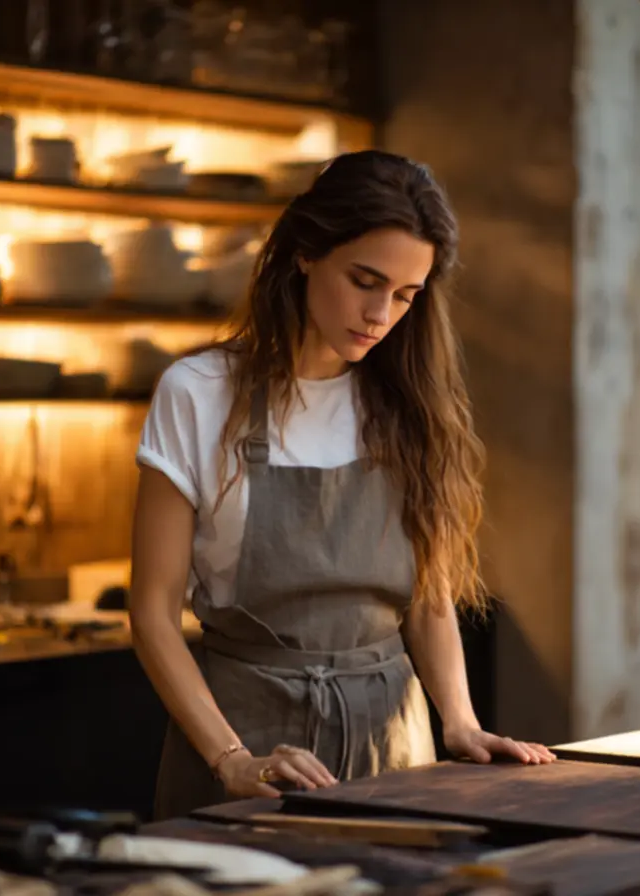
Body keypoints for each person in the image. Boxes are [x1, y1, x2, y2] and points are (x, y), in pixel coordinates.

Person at [129, 149, 555, 819]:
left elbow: (429, 598)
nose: (381, 314)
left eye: (406, 296)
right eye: (365, 280)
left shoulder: (411, 403)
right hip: (247, 745)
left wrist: (461, 722)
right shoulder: (199, 394)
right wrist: (231, 758)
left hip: (395, 747)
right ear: (305, 252)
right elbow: (152, 614)